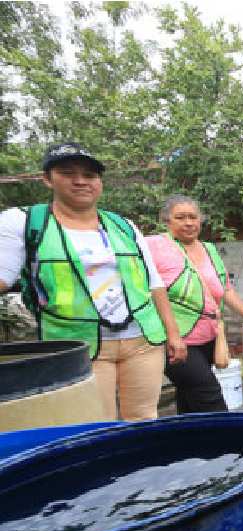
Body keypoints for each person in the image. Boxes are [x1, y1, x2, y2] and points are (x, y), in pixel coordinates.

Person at [0, 142, 186, 421]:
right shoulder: (23, 222)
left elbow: (153, 282)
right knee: (96, 424)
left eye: (89, 175)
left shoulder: (123, 225)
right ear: (47, 179)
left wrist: (173, 334)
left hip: (143, 340)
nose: (80, 181)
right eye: (68, 173)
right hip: (78, 345)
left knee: (144, 419)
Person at [147, 195, 243, 413]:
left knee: (189, 396)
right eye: (180, 217)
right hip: (176, 341)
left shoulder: (209, 249)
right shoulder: (154, 245)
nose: (188, 223)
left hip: (208, 338)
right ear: (167, 221)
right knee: (208, 395)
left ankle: (190, 444)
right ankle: (227, 444)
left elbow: (225, 289)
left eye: (193, 217)